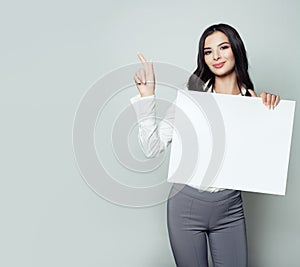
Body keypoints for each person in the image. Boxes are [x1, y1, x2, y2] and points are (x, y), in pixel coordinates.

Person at [131, 23, 280, 267]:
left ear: (237, 50)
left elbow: (262, 160)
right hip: (186, 206)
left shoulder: (253, 102)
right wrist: (148, 97)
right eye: (208, 51)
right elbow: (152, 147)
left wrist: (269, 112)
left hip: (230, 207)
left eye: (223, 48)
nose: (216, 57)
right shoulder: (190, 96)